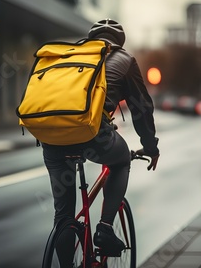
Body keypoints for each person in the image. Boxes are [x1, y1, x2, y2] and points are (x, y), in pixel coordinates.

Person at [42, 18, 160, 257]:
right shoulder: (125, 60)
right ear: (119, 42)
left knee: (63, 216)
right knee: (121, 160)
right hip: (92, 135)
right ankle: (105, 229)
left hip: (51, 136)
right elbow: (142, 109)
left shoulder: (69, 57)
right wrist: (150, 147)